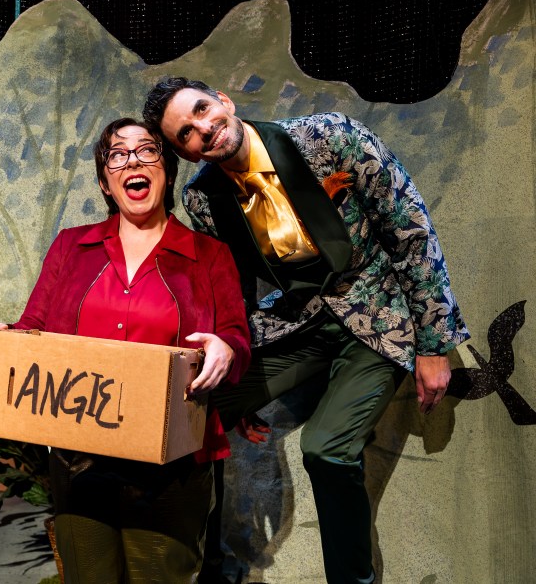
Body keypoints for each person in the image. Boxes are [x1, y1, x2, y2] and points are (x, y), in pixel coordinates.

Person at [141, 77, 470, 583]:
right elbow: (234, 292)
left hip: (376, 313)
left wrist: (433, 344)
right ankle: (193, 569)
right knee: (193, 410)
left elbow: (411, 232)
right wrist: (237, 375)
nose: (203, 129)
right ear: (184, 152)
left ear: (224, 101)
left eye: (202, 110)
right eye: (185, 132)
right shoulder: (203, 199)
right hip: (299, 323)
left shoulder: (329, 136)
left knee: (325, 450)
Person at [0, 117, 251, 583]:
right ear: (105, 182)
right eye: (117, 154)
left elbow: (236, 337)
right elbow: (34, 327)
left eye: (147, 150)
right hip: (79, 456)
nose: (133, 161)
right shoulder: (71, 247)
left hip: (173, 463)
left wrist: (227, 349)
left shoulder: (210, 255)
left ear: (167, 171)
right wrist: (10, 341)